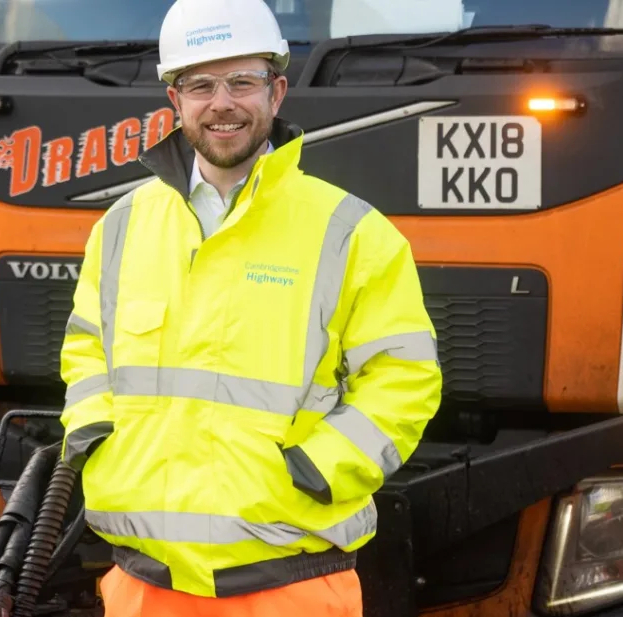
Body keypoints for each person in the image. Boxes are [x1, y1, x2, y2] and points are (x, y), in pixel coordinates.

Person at [57, 0, 443, 614]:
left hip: (289, 580)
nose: (223, 103)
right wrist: (96, 437)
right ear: (174, 102)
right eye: (201, 85)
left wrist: (319, 469)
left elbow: (405, 378)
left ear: (277, 92)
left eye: (243, 81)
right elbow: (87, 348)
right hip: (143, 583)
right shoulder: (123, 225)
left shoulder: (350, 231)